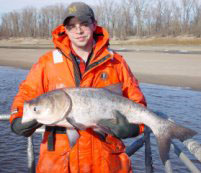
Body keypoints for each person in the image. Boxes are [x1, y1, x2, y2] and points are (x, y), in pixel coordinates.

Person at [10, 2, 147, 172]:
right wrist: (18, 116)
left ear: (94, 24)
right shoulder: (47, 63)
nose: (79, 31)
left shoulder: (116, 62)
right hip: (59, 163)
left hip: (106, 161)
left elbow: (137, 103)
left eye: (84, 24)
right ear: (65, 29)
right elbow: (27, 94)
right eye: (72, 26)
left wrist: (134, 128)